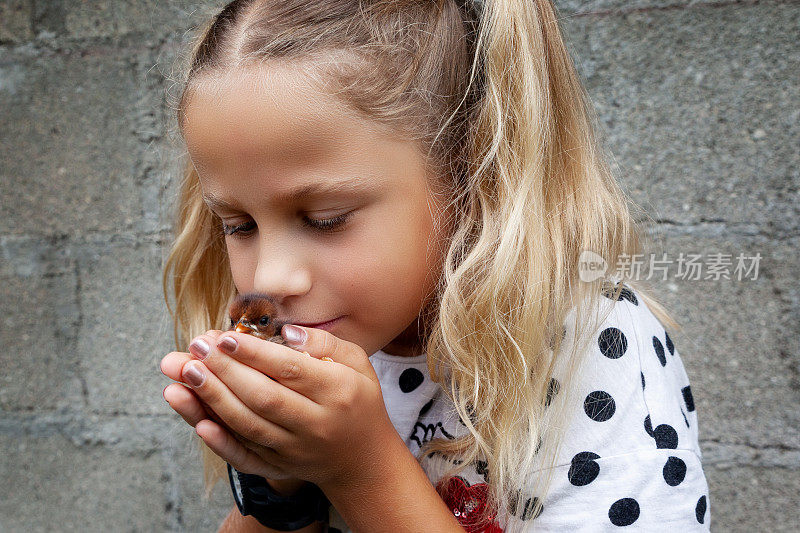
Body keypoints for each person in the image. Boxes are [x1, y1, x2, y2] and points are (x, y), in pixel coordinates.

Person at [158, 0, 710, 531]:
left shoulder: (593, 344)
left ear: (473, 174)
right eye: (238, 226)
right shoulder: (337, 341)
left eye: (325, 218)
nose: (269, 279)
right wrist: (277, 481)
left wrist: (359, 470)